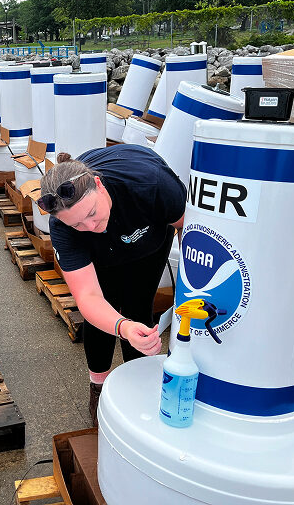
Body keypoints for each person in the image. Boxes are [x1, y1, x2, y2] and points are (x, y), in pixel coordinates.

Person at [40, 145, 186, 427]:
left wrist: (190, 290)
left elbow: (188, 230)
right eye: (77, 224)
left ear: (98, 184)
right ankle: (99, 387)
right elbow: (88, 295)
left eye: (92, 212)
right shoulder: (63, 228)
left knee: (138, 305)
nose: (90, 225)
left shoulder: (152, 183)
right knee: (103, 316)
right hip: (100, 256)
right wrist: (123, 327)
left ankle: (138, 385)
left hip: (147, 238)